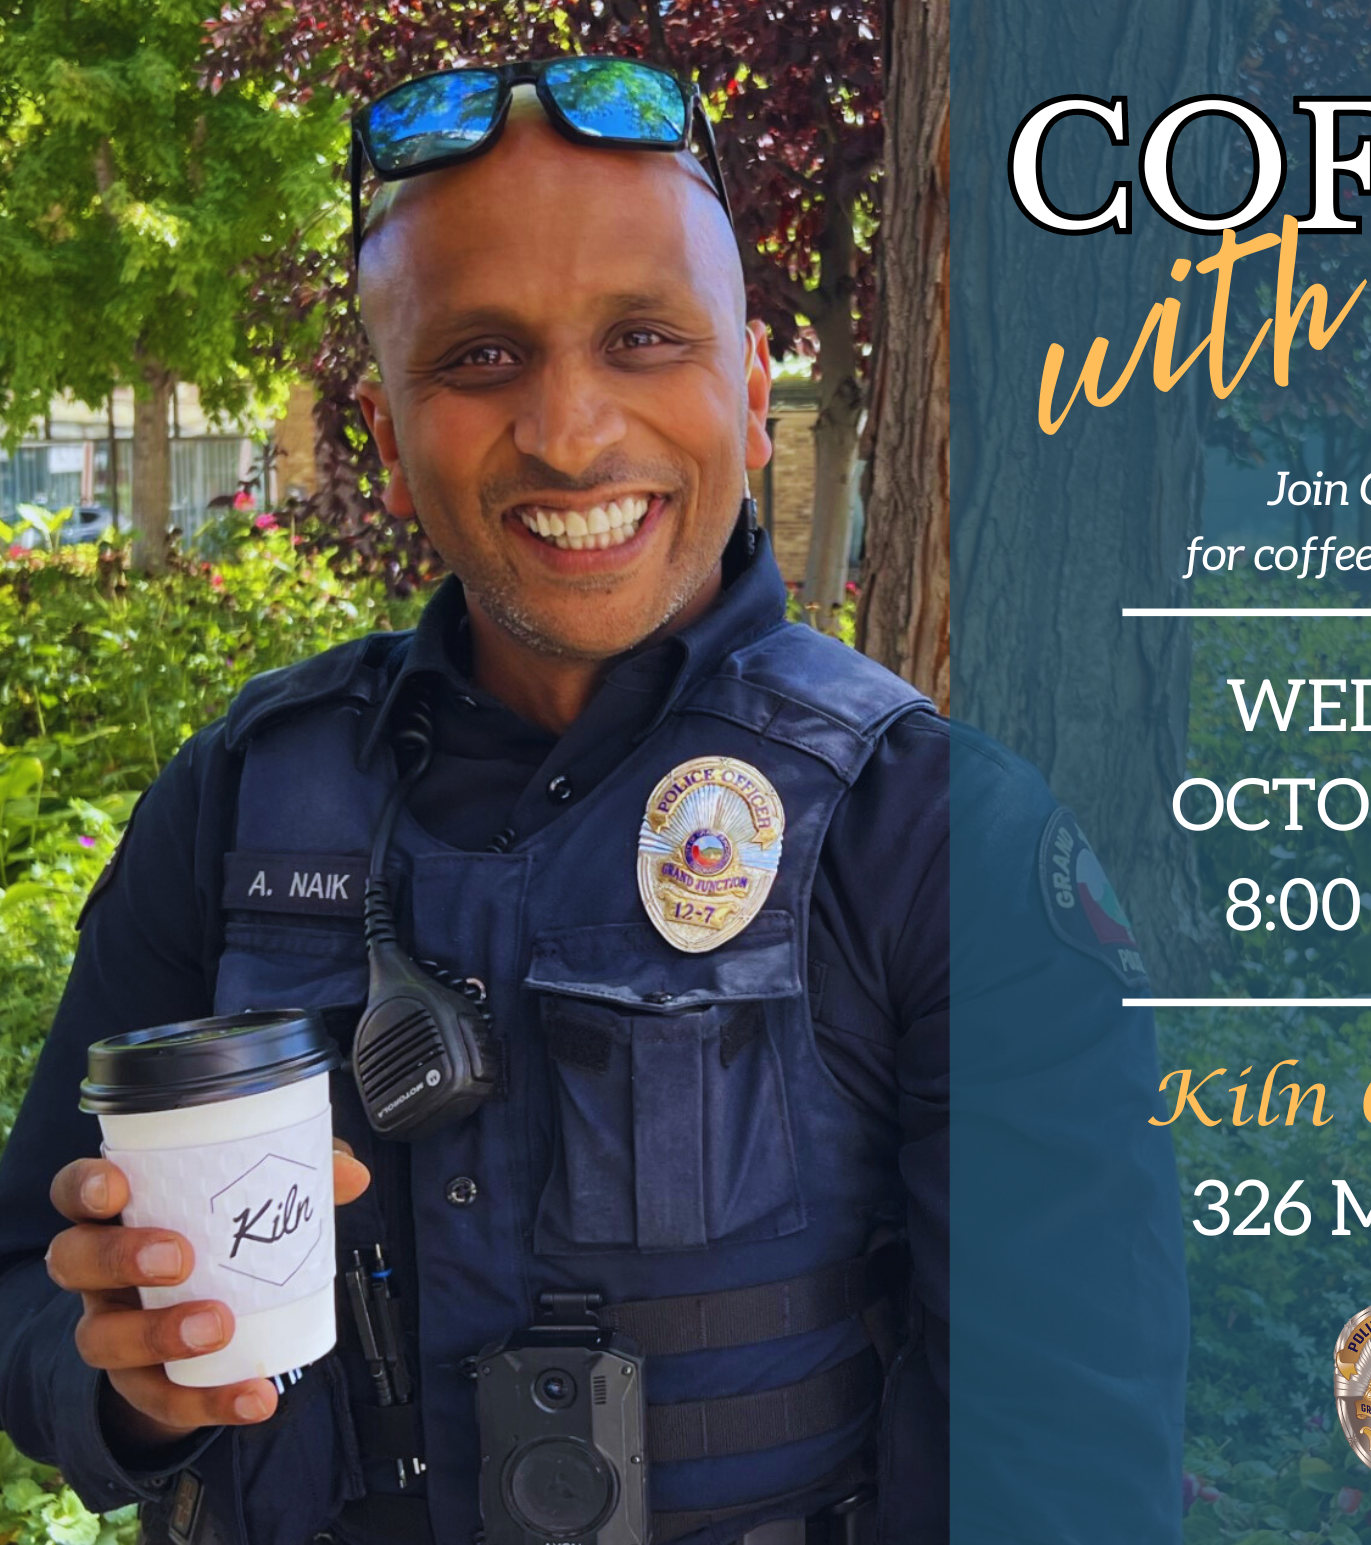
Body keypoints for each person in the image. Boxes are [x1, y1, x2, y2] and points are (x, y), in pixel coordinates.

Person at [0, 60, 947, 1545]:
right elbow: (22, 1288)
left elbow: (1052, 1420)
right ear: (385, 441)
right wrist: (122, 1384)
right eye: (480, 359)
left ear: (754, 395)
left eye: (644, 337)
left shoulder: (918, 819)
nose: (570, 436)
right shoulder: (241, 795)